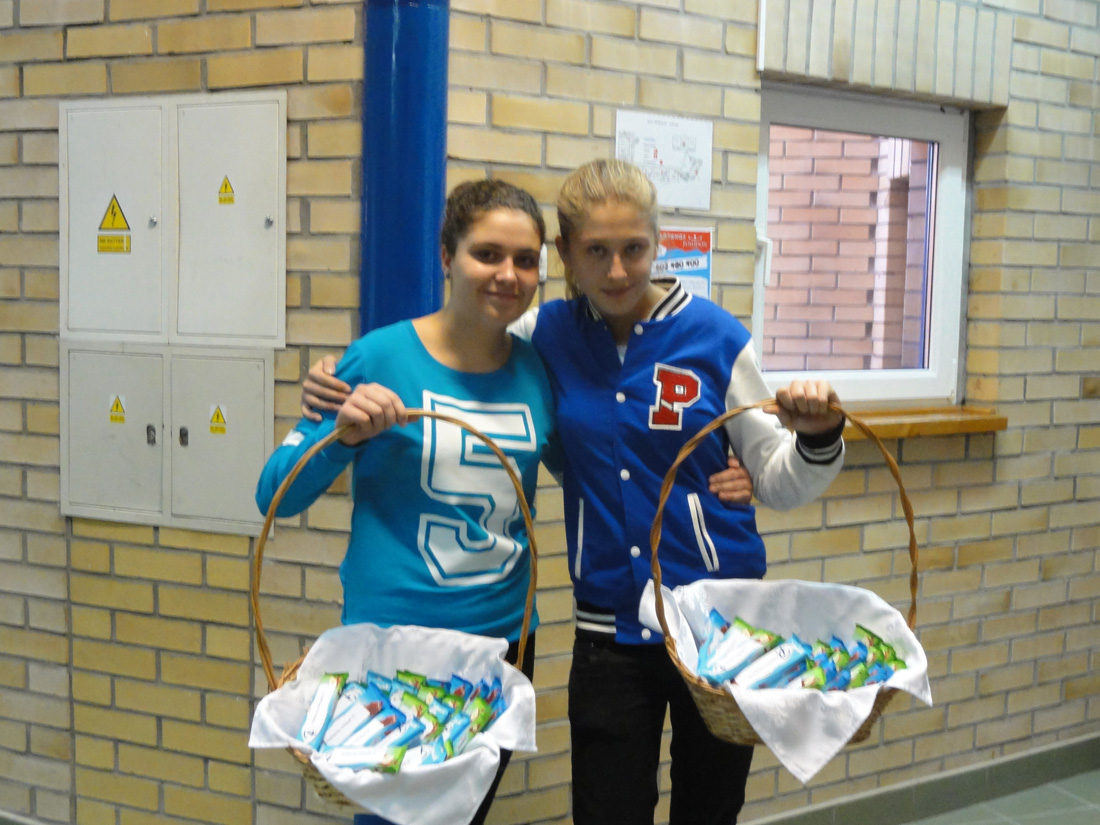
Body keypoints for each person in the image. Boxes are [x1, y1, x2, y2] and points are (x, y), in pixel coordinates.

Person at [300, 159, 843, 825]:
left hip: (719, 627)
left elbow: (782, 480)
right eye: (595, 251)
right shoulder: (544, 336)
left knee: (710, 810)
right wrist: (334, 379)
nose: (617, 271)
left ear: (656, 244)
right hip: (607, 633)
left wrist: (814, 439)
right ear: (565, 254)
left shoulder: (716, 337)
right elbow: (456, 350)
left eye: (634, 248)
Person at [255, 179, 556, 825]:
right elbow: (274, 493)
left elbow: (586, 466)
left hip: (501, 648)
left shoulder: (537, 371)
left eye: (525, 260)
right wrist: (339, 440)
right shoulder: (379, 356)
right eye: (487, 254)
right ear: (447, 256)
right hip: (392, 649)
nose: (508, 274)